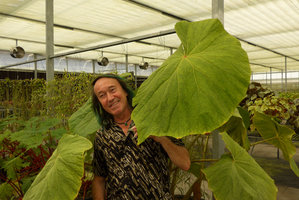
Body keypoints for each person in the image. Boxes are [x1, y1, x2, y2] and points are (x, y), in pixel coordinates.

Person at [91, 74, 191, 200]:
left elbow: (185, 163)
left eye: (112, 90)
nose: (110, 98)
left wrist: (160, 137)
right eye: (102, 95)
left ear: (125, 91)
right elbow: (99, 179)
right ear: (99, 103)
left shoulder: (152, 120)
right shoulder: (102, 135)